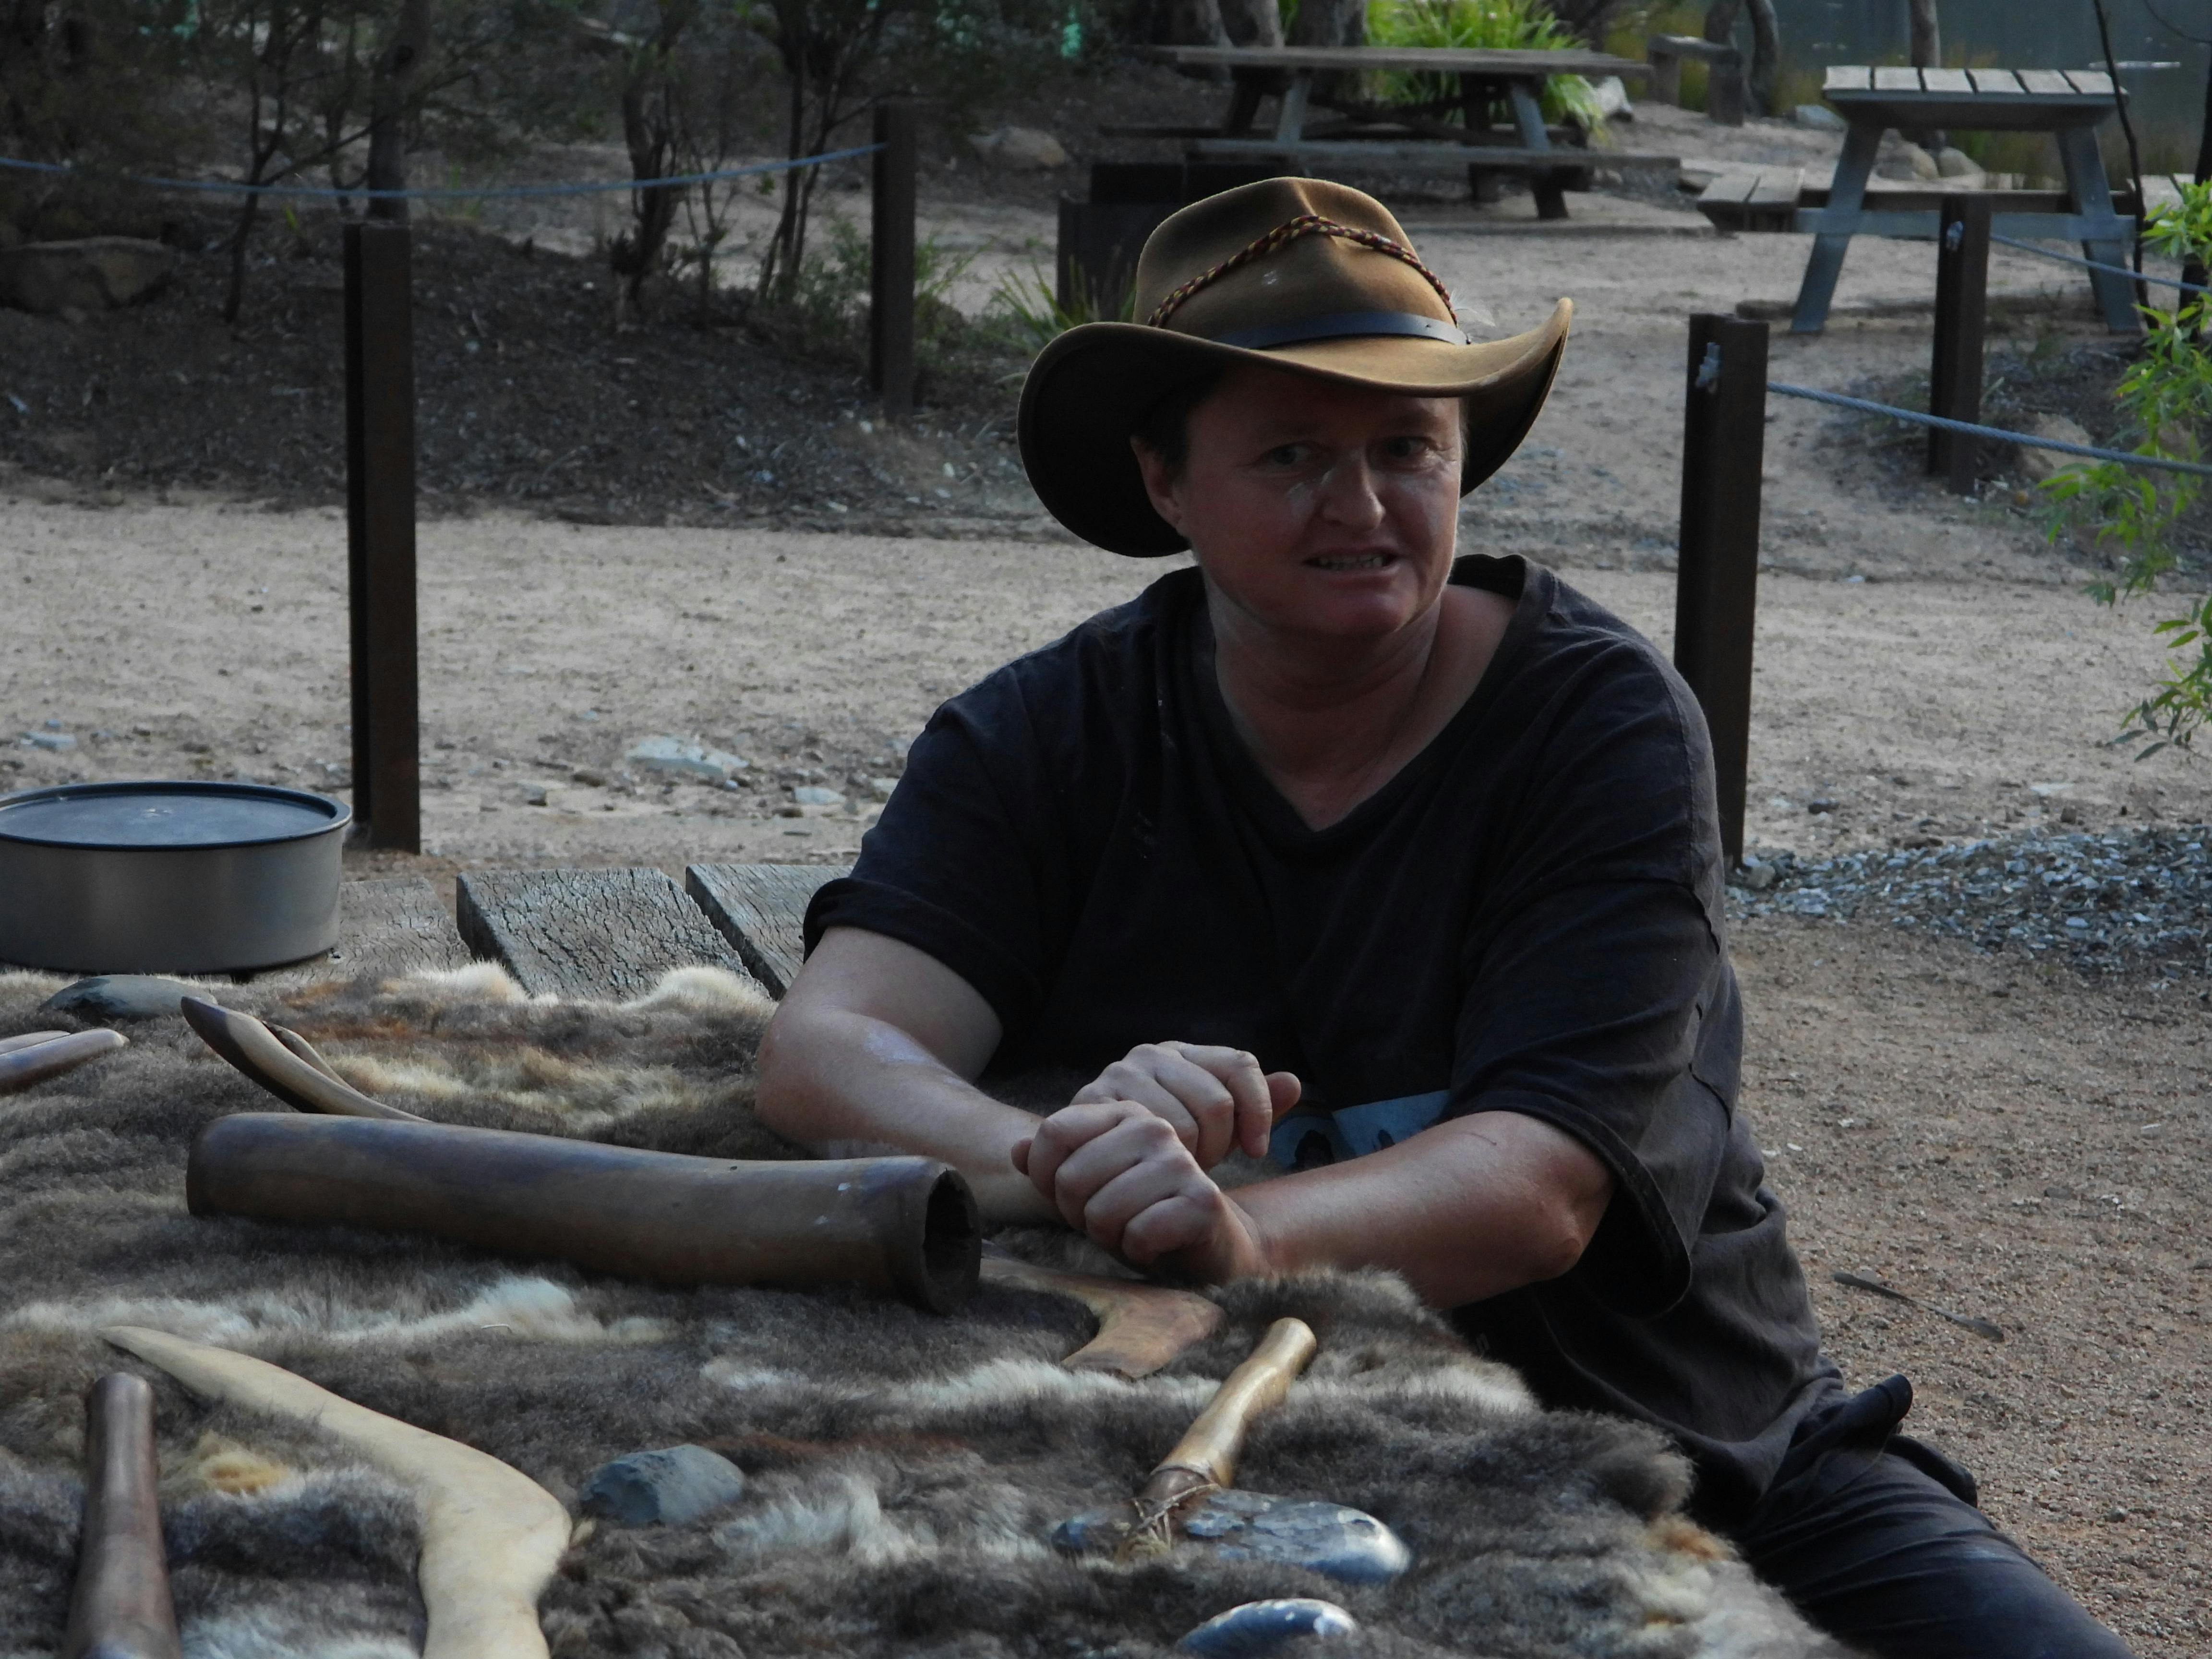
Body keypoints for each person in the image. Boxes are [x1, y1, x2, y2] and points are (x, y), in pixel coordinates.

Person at [755, 177, 2131, 1659]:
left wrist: (1232, 1232)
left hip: (1688, 1457)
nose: (1361, 507)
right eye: (1293, 453)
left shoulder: (1599, 729)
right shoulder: (1044, 735)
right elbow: (828, 1047)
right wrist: (1065, 1159)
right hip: (1217, 1464)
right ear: (1166, 482)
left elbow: (1533, 1192)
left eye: (1406, 448)